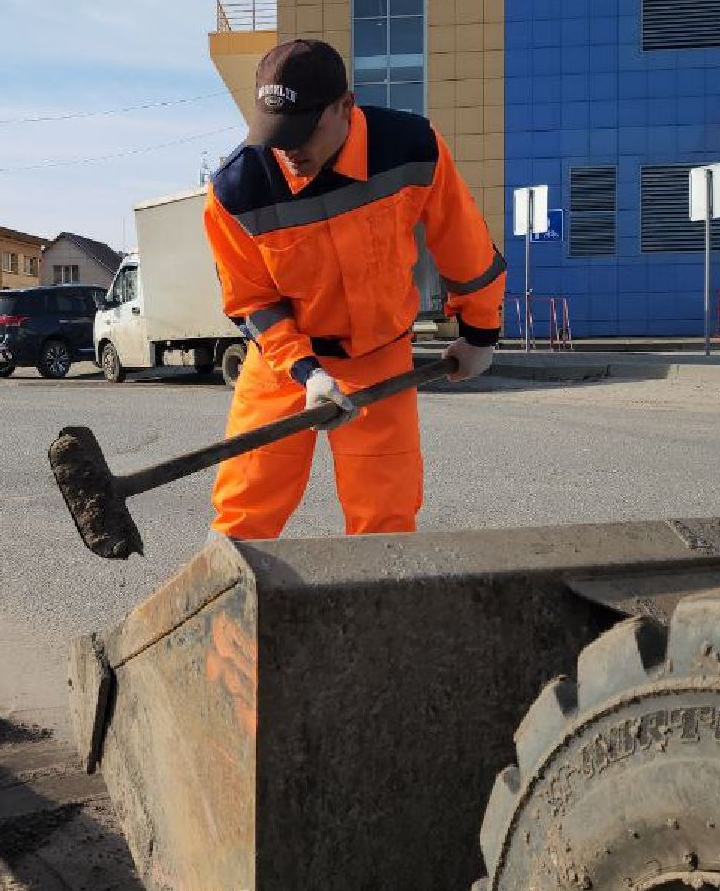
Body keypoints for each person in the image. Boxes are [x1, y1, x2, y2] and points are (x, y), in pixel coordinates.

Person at [204, 39, 505, 539]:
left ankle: (377, 593)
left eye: (304, 131)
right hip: (284, 362)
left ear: (346, 106)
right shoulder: (237, 191)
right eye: (277, 134)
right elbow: (252, 301)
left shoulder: (410, 148)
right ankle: (227, 592)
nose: (289, 150)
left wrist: (480, 332)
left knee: (384, 519)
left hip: (379, 356)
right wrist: (306, 372)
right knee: (245, 509)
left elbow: (464, 245)